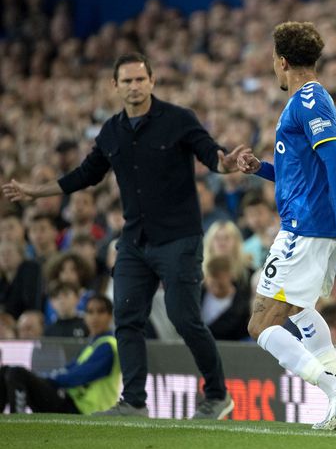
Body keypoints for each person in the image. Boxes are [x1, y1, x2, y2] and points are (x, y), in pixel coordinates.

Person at [2, 52, 242, 419]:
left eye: (140, 79)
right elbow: (84, 174)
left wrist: (224, 164)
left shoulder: (179, 120)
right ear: (115, 86)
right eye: (127, 80)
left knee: (184, 318)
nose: (134, 86)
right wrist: (36, 192)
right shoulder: (111, 132)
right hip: (134, 241)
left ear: (152, 81)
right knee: (126, 319)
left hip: (179, 238)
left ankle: (217, 393)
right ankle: (133, 401)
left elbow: (212, 155)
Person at [235, 22, 336, 430]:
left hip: (307, 228)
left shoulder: (308, 100)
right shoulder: (309, 100)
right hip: (312, 224)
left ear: (282, 61)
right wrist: (262, 170)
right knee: (302, 311)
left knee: (261, 322)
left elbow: (335, 163)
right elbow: (304, 174)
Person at [0, 294, 121, 415]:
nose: (95, 317)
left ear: (110, 316)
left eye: (100, 312)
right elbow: (69, 369)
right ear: (84, 316)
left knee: (17, 374)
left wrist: (49, 379)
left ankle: (17, 423)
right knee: (5, 371)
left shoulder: (108, 345)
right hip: (72, 402)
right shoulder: (93, 345)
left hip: (83, 409)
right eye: (90, 312)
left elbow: (79, 376)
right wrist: (44, 378)